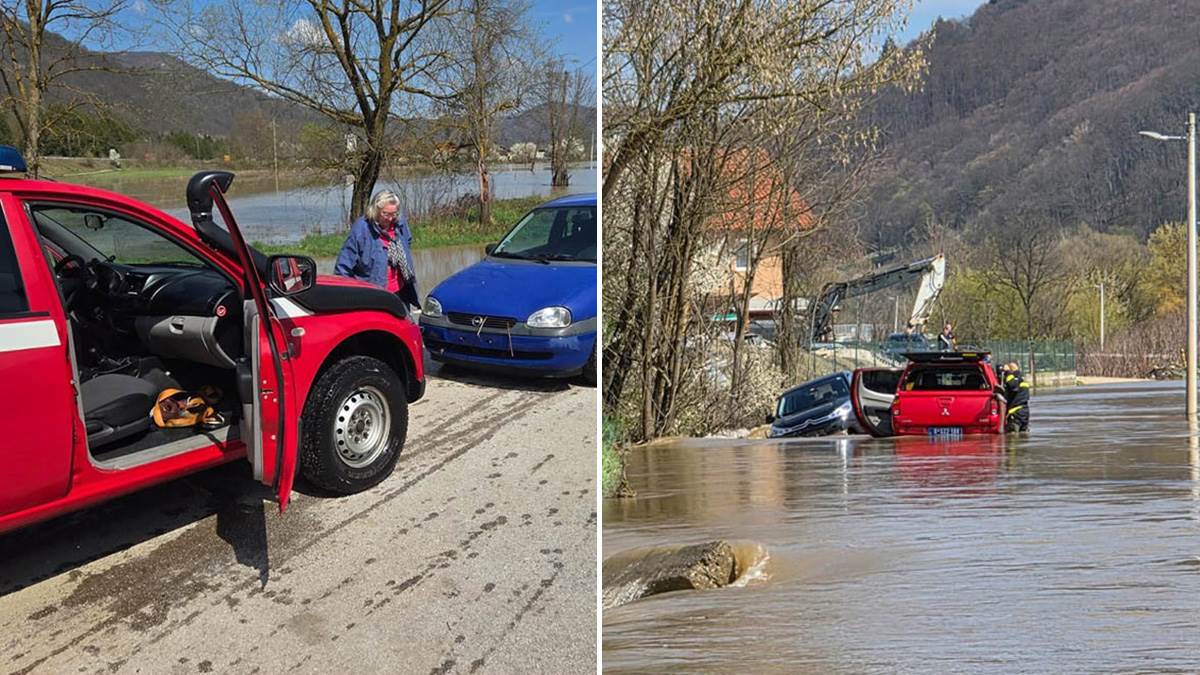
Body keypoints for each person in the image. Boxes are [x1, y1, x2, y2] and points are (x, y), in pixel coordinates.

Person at [333, 190, 419, 309]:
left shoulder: (400, 223)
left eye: (394, 214)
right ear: (376, 210)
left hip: (400, 291)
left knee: (405, 326)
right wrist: (348, 297)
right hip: (372, 294)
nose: (390, 218)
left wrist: (396, 257)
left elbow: (407, 241)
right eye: (386, 214)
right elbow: (343, 267)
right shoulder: (361, 229)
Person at [1001, 361, 1030, 432]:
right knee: (1023, 438)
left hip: (1016, 413)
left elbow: (1013, 387)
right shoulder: (1021, 379)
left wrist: (1007, 372)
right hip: (1024, 413)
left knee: (1012, 439)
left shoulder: (1013, 378)